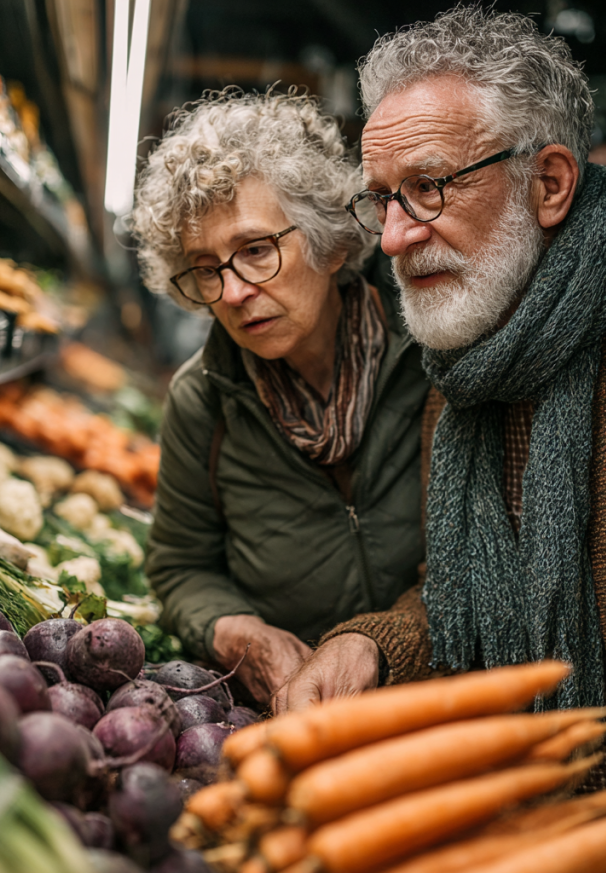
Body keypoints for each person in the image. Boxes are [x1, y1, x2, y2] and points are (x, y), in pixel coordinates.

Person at [276, 6, 606, 834]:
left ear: (549, 183)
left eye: (430, 186)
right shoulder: (461, 367)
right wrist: (373, 643)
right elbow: (464, 591)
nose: (396, 237)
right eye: (382, 199)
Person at [133, 90, 429, 704]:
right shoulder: (201, 401)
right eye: (207, 267)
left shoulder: (431, 359)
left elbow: (484, 554)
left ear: (331, 242)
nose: (234, 292)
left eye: (256, 251)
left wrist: (384, 643)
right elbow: (179, 566)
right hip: (295, 713)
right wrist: (234, 632)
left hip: (437, 700)